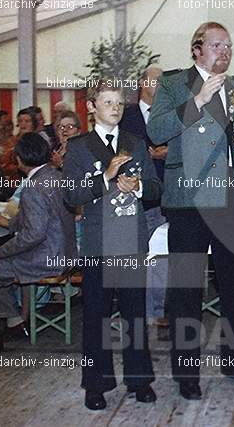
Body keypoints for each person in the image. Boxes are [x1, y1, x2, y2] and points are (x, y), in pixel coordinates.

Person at [147, 21, 234, 400]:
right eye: (217, 45)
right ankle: (187, 373)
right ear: (196, 48)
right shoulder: (171, 84)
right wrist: (197, 101)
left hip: (232, 198)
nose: (225, 52)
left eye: (229, 46)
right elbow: (156, 131)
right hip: (188, 201)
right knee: (186, 290)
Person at [63, 80, 162, 410]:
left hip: (131, 241)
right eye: (108, 102)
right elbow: (72, 195)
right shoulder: (78, 147)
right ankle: (95, 384)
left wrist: (137, 187)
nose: (115, 108)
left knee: (136, 315)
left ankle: (140, 380)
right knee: (96, 318)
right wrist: (105, 177)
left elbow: (155, 189)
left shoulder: (135, 142)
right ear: (91, 107)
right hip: (97, 245)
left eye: (119, 103)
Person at [0, 133, 75, 358]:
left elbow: (33, 235)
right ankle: (15, 321)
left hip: (45, 258)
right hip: (65, 253)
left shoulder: (32, 187)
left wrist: (0, 252)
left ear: (20, 159)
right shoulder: (56, 176)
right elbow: (40, 217)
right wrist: (10, 224)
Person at [120, 66, 169, 330]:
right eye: (155, 79)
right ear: (142, 82)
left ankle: (157, 310)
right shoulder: (125, 115)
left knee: (159, 255)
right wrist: (148, 155)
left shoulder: (168, 115)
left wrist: (168, 153)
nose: (160, 84)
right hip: (129, 196)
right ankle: (133, 308)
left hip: (162, 197)